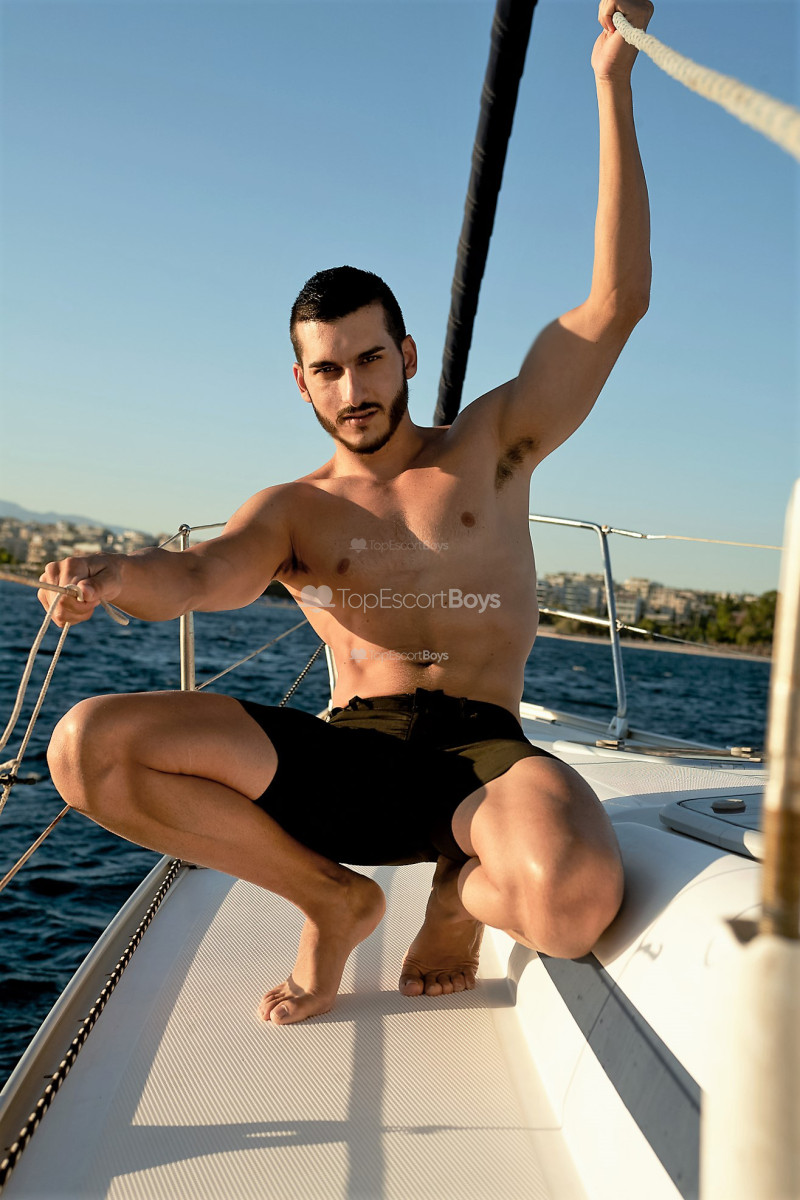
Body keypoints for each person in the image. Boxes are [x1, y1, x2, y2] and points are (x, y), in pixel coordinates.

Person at [40, 0, 653, 1025]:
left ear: (404, 356)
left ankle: (457, 892)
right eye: (328, 370)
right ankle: (331, 898)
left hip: (482, 755)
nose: (353, 388)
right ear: (303, 384)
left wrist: (610, 82)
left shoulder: (493, 446)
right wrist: (111, 575)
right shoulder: (295, 510)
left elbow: (614, 304)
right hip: (347, 756)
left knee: (572, 900)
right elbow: (203, 575)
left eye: (370, 359)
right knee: (85, 745)